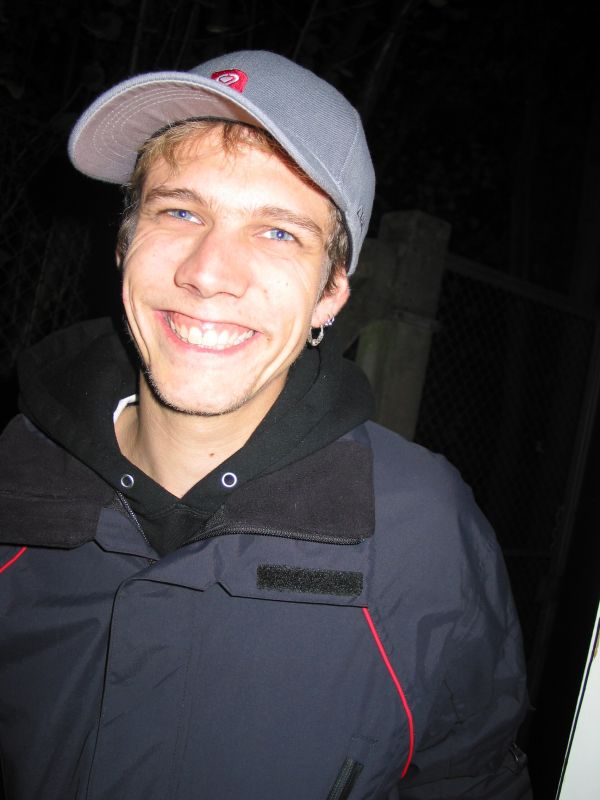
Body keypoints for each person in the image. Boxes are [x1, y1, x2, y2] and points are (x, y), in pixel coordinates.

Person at [0, 50, 532, 799]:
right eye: (180, 211)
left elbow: (472, 778)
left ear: (331, 292)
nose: (208, 272)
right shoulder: (13, 480)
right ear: (123, 244)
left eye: (278, 232)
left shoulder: (422, 533)